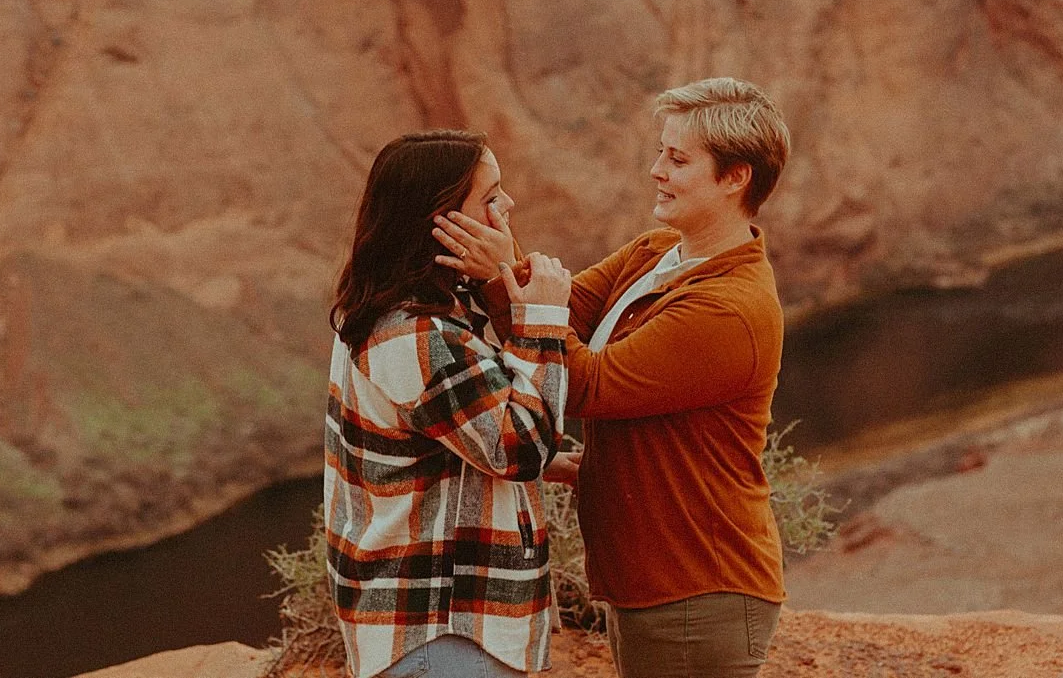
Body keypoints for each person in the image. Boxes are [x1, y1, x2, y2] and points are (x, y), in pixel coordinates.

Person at [433, 78, 792, 678]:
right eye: (661, 151)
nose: (656, 170)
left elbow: (585, 386)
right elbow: (556, 314)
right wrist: (500, 266)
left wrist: (502, 278)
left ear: (735, 178)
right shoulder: (656, 253)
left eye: (678, 159)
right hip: (658, 578)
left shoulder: (729, 308)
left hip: (698, 583)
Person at [323, 130, 573, 678]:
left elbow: (449, 431)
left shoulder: (403, 312)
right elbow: (520, 448)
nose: (508, 206)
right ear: (441, 222)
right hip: (444, 635)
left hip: (435, 635)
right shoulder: (416, 334)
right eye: (491, 195)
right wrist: (545, 318)